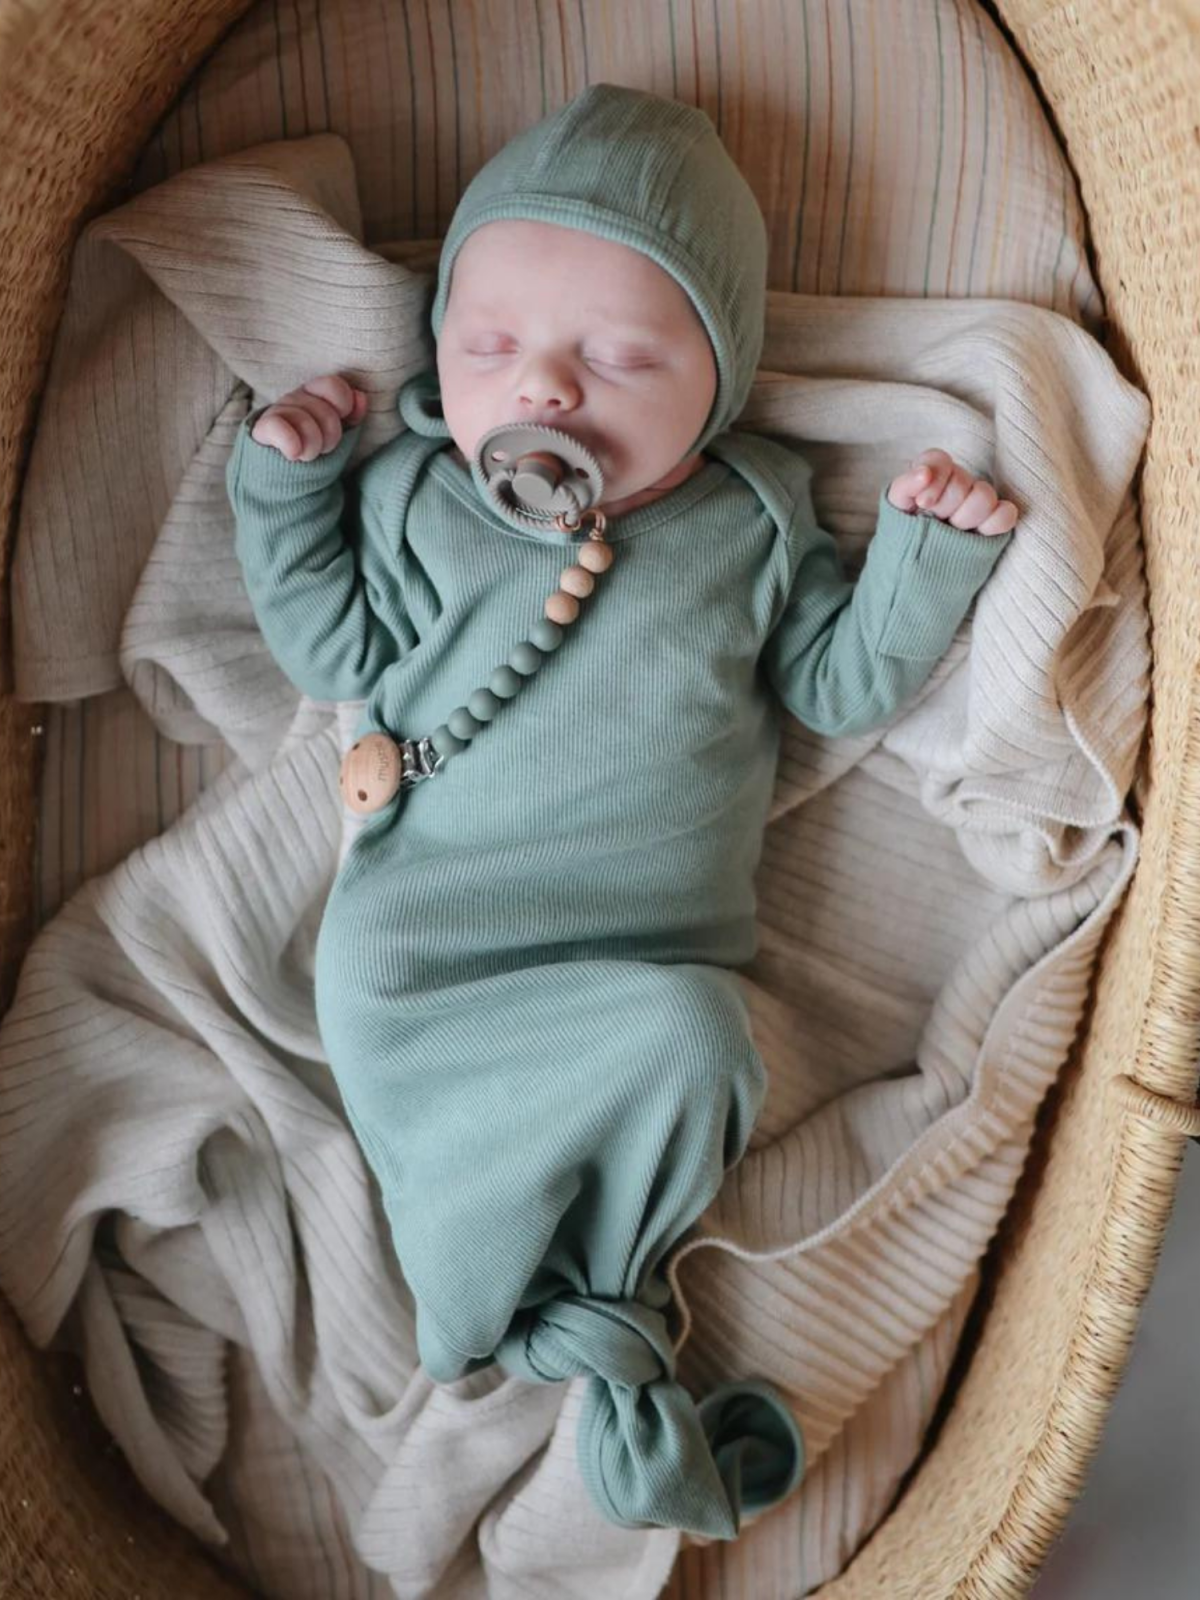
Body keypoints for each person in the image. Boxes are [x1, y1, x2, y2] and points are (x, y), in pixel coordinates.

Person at [225, 82, 1017, 1543]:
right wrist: (289, 491)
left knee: (697, 1042)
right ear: (442, 355)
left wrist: (925, 556)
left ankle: (595, 1299)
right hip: (422, 953)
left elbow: (840, 689)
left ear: (719, 378)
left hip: (644, 968)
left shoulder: (752, 524)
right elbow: (336, 654)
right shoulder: (422, 501)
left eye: (616, 355)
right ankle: (475, 1292)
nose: (540, 390)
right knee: (430, 1045)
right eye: (491, 347)